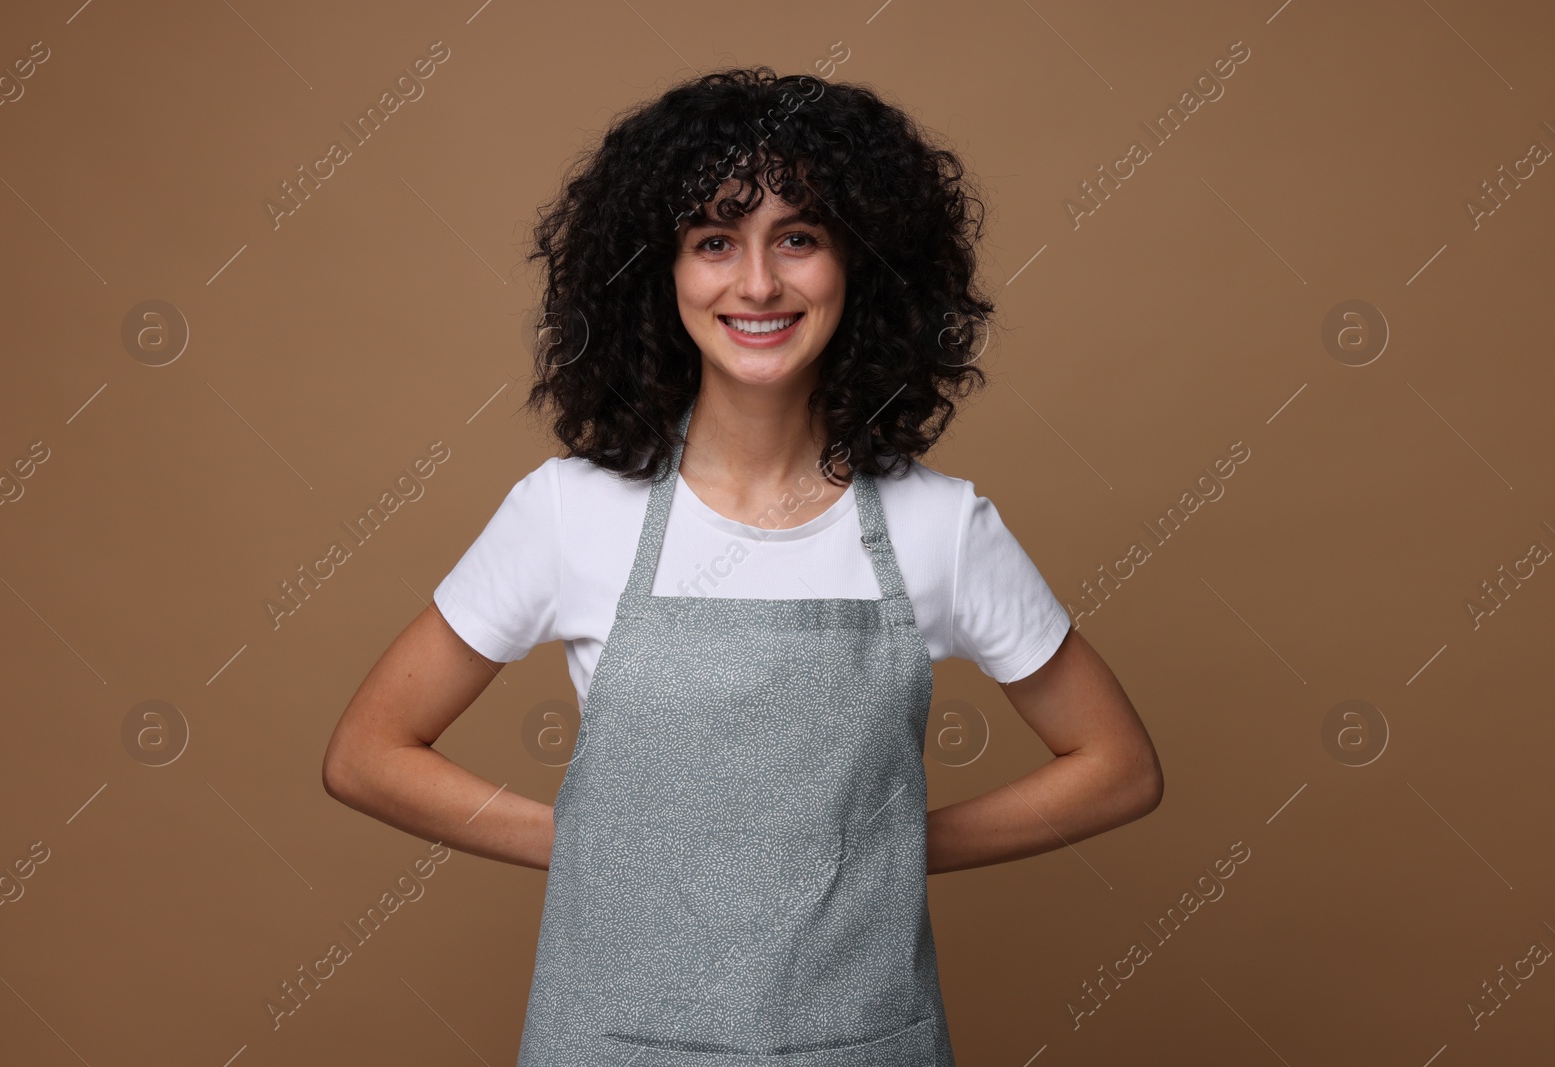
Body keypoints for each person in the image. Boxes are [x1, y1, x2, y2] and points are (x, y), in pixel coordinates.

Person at [322, 67, 1161, 1065]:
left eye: (796, 238)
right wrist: (597, 845)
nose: (756, 283)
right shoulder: (568, 512)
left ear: (863, 265)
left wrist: (880, 855)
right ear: (657, 272)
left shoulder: (941, 527)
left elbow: (1119, 770)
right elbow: (366, 752)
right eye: (714, 240)